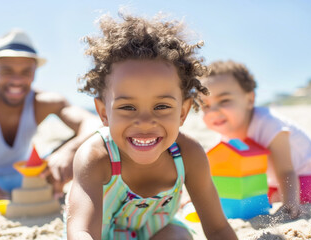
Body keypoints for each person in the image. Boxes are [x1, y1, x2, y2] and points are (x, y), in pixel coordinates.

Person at [66, 13, 238, 240]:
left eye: (162, 106)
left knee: (179, 236)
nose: (145, 122)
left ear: (183, 112)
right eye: (127, 107)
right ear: (102, 113)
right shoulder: (95, 157)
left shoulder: (188, 155)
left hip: (155, 233)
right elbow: (81, 231)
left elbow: (217, 229)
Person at [0, 29, 100, 204]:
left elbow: (95, 123)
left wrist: (69, 151)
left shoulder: (43, 101)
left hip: (24, 179)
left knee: (90, 142)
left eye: (26, 72)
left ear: (35, 72)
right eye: (7, 71)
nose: (17, 80)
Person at [198, 60, 311, 219]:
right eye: (205, 105)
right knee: (250, 195)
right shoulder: (225, 134)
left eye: (224, 101)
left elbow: (286, 171)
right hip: (273, 182)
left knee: (294, 195)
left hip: (308, 177)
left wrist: (289, 203)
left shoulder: (267, 123)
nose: (213, 111)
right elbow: (218, 172)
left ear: (250, 99)